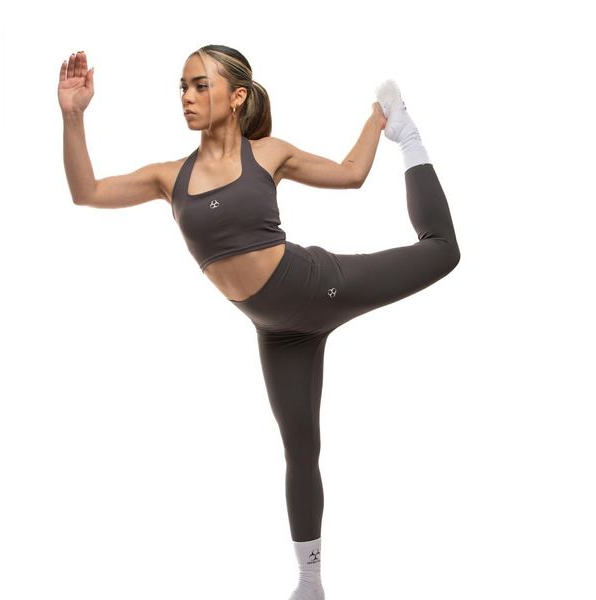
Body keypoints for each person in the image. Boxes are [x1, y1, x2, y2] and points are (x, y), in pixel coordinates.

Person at [59, 44, 460, 600]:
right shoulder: (167, 176)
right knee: (300, 448)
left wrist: (379, 122)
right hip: (277, 331)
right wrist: (73, 116)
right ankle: (310, 581)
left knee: (442, 252)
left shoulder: (267, 155)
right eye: (182, 86)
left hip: (320, 286)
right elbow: (88, 192)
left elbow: (350, 176)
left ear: (236, 95)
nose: (187, 97)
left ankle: (408, 134)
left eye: (200, 85)